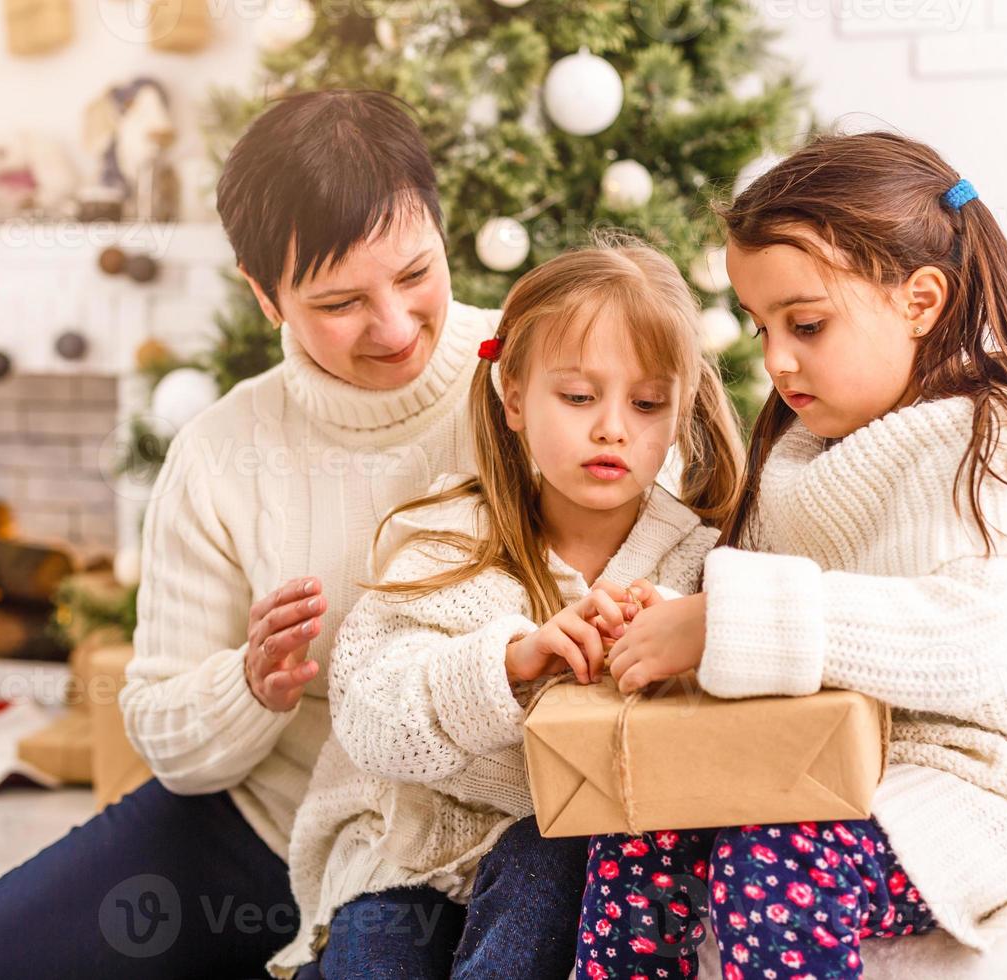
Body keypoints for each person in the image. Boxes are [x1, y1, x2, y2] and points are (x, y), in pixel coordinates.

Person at [0, 90, 588, 980]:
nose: (392, 326)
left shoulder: (546, 380)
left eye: (416, 274)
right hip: (271, 821)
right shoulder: (222, 454)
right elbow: (162, 729)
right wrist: (250, 686)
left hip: (488, 833)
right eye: (339, 301)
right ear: (264, 296)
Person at [572, 131, 1007, 980]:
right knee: (640, 830)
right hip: (834, 748)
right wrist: (666, 613)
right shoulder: (800, 450)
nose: (774, 359)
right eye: (760, 325)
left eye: (805, 323)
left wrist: (726, 621)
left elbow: (968, 635)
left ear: (920, 301)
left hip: (992, 779)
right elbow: (756, 591)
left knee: (773, 855)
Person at [266, 234, 746, 979]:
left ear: (680, 413)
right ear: (515, 398)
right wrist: (511, 661)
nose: (613, 426)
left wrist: (676, 646)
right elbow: (368, 717)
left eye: (647, 403)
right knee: (373, 960)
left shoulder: (697, 565)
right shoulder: (447, 536)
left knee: (547, 853)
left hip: (569, 859)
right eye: (579, 397)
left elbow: (722, 747)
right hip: (413, 856)